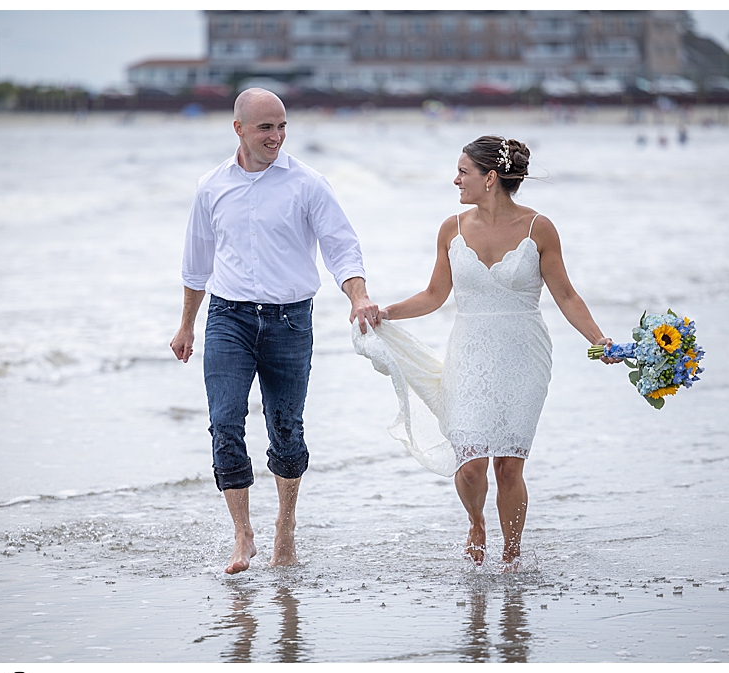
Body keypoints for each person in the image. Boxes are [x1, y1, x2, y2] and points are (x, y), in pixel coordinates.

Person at [353, 136, 617, 572]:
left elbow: (566, 295)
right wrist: (386, 312)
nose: (455, 179)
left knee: (509, 466)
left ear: (490, 178)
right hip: (470, 353)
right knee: (472, 465)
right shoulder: (451, 228)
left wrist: (599, 340)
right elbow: (435, 295)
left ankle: (512, 555)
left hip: (524, 354)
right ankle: (476, 522)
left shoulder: (539, 229)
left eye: (464, 171)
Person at [170, 88, 379, 575]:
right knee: (224, 423)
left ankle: (285, 531)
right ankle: (243, 534)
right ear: (239, 128)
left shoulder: (307, 183)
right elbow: (195, 265)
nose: (277, 136)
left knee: (286, 431)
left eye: (282, 125)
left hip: (290, 320)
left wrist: (358, 295)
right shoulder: (210, 186)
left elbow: (341, 246)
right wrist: (186, 325)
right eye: (266, 127)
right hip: (228, 318)